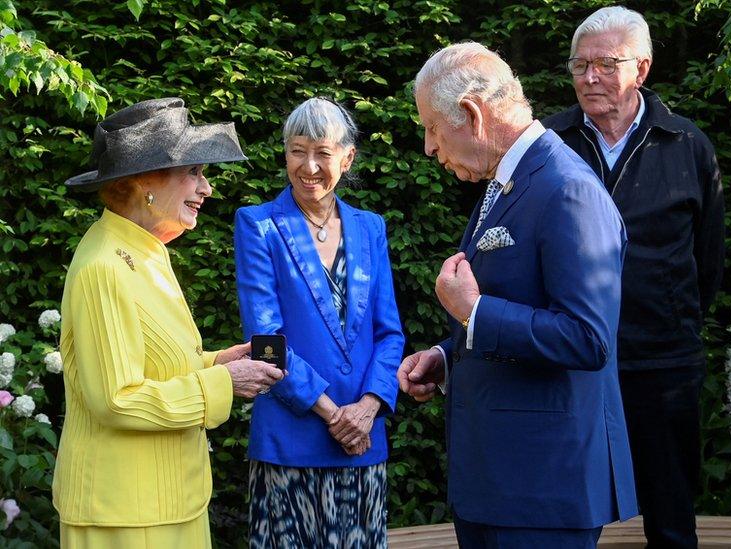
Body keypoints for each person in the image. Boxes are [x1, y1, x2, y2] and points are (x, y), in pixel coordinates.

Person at [398, 42, 638, 548]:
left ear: (471, 115)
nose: (428, 147)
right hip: (500, 484)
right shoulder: (507, 181)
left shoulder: (568, 189)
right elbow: (520, 302)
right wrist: (447, 354)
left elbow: (588, 339)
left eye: (432, 128)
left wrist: (475, 313)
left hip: (542, 489)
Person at [54, 98, 284, 548]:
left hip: (166, 504)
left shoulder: (143, 251)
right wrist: (223, 383)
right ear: (145, 183)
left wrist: (219, 361)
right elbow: (118, 400)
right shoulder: (103, 265)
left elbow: (157, 365)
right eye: (194, 172)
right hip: (124, 517)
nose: (207, 188)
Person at [542, 7, 724, 547]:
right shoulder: (547, 144)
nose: (590, 77)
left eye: (605, 64)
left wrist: (671, 319)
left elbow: (707, 263)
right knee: (565, 510)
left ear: (641, 69)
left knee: (670, 513)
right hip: (567, 359)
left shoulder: (686, 145)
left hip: (661, 362)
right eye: (580, 65)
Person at [234, 97, 405, 548]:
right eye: (296, 150)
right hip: (290, 445)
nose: (308, 166)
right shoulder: (258, 225)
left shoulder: (371, 227)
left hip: (363, 445)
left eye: (322, 153)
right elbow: (265, 343)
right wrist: (335, 416)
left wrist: (366, 410)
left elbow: (389, 333)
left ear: (346, 159)